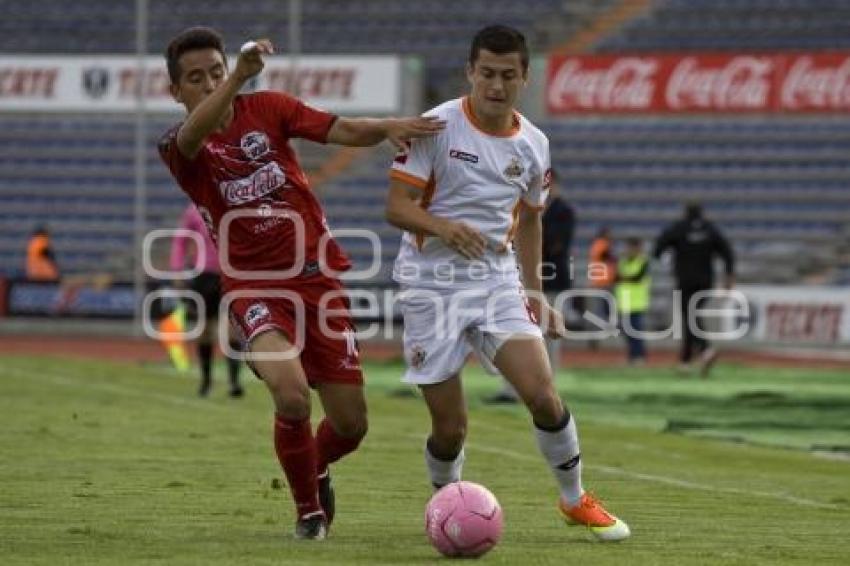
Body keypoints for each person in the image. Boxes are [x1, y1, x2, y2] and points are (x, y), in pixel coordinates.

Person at [158, 26, 443, 540]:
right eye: (195, 79)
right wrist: (237, 77)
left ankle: (313, 464)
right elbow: (191, 135)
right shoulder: (180, 148)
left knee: (352, 425)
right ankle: (308, 513)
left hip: (318, 279)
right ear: (175, 92)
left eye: (215, 73)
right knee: (291, 397)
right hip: (254, 287)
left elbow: (342, 129)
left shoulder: (269, 107)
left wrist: (389, 125)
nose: (208, 84)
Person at [385, 25, 629, 542]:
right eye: (487, 74)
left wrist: (536, 293)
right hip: (431, 284)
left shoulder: (534, 144)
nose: (496, 85)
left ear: (524, 77)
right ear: (471, 71)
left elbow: (533, 219)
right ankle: (445, 502)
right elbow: (396, 208)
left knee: (543, 395)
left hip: (495, 280)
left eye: (507, 76)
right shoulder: (436, 128)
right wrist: (445, 228)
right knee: (450, 430)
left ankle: (574, 499)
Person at [487, 170, 575, 403]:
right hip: (522, 279)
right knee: (516, 333)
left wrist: (531, 243)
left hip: (552, 280)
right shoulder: (522, 207)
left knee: (549, 336)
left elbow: (555, 245)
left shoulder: (563, 212)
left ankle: (547, 389)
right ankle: (511, 388)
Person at [170, 203, 243, 398]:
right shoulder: (195, 209)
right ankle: (206, 381)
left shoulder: (233, 203)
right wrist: (177, 270)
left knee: (233, 329)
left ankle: (234, 382)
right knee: (205, 330)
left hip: (232, 274)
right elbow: (180, 240)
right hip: (205, 275)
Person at [654, 201, 734, 377]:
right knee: (692, 315)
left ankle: (705, 350)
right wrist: (728, 275)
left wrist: (669, 259)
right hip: (705, 281)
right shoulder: (710, 229)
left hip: (685, 280)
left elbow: (658, 248)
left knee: (690, 316)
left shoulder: (678, 228)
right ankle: (685, 362)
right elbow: (727, 252)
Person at [615, 237, 650, 365]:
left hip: (637, 303)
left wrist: (624, 278)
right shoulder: (622, 261)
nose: (630, 250)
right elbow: (616, 277)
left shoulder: (643, 261)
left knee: (636, 331)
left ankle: (639, 356)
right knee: (627, 331)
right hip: (623, 302)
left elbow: (637, 278)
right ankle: (632, 356)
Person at [586, 226, 616, 348]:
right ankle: (597, 336)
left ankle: (596, 336)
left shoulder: (597, 245)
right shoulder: (602, 244)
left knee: (600, 312)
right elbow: (609, 257)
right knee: (601, 312)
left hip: (599, 283)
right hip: (602, 283)